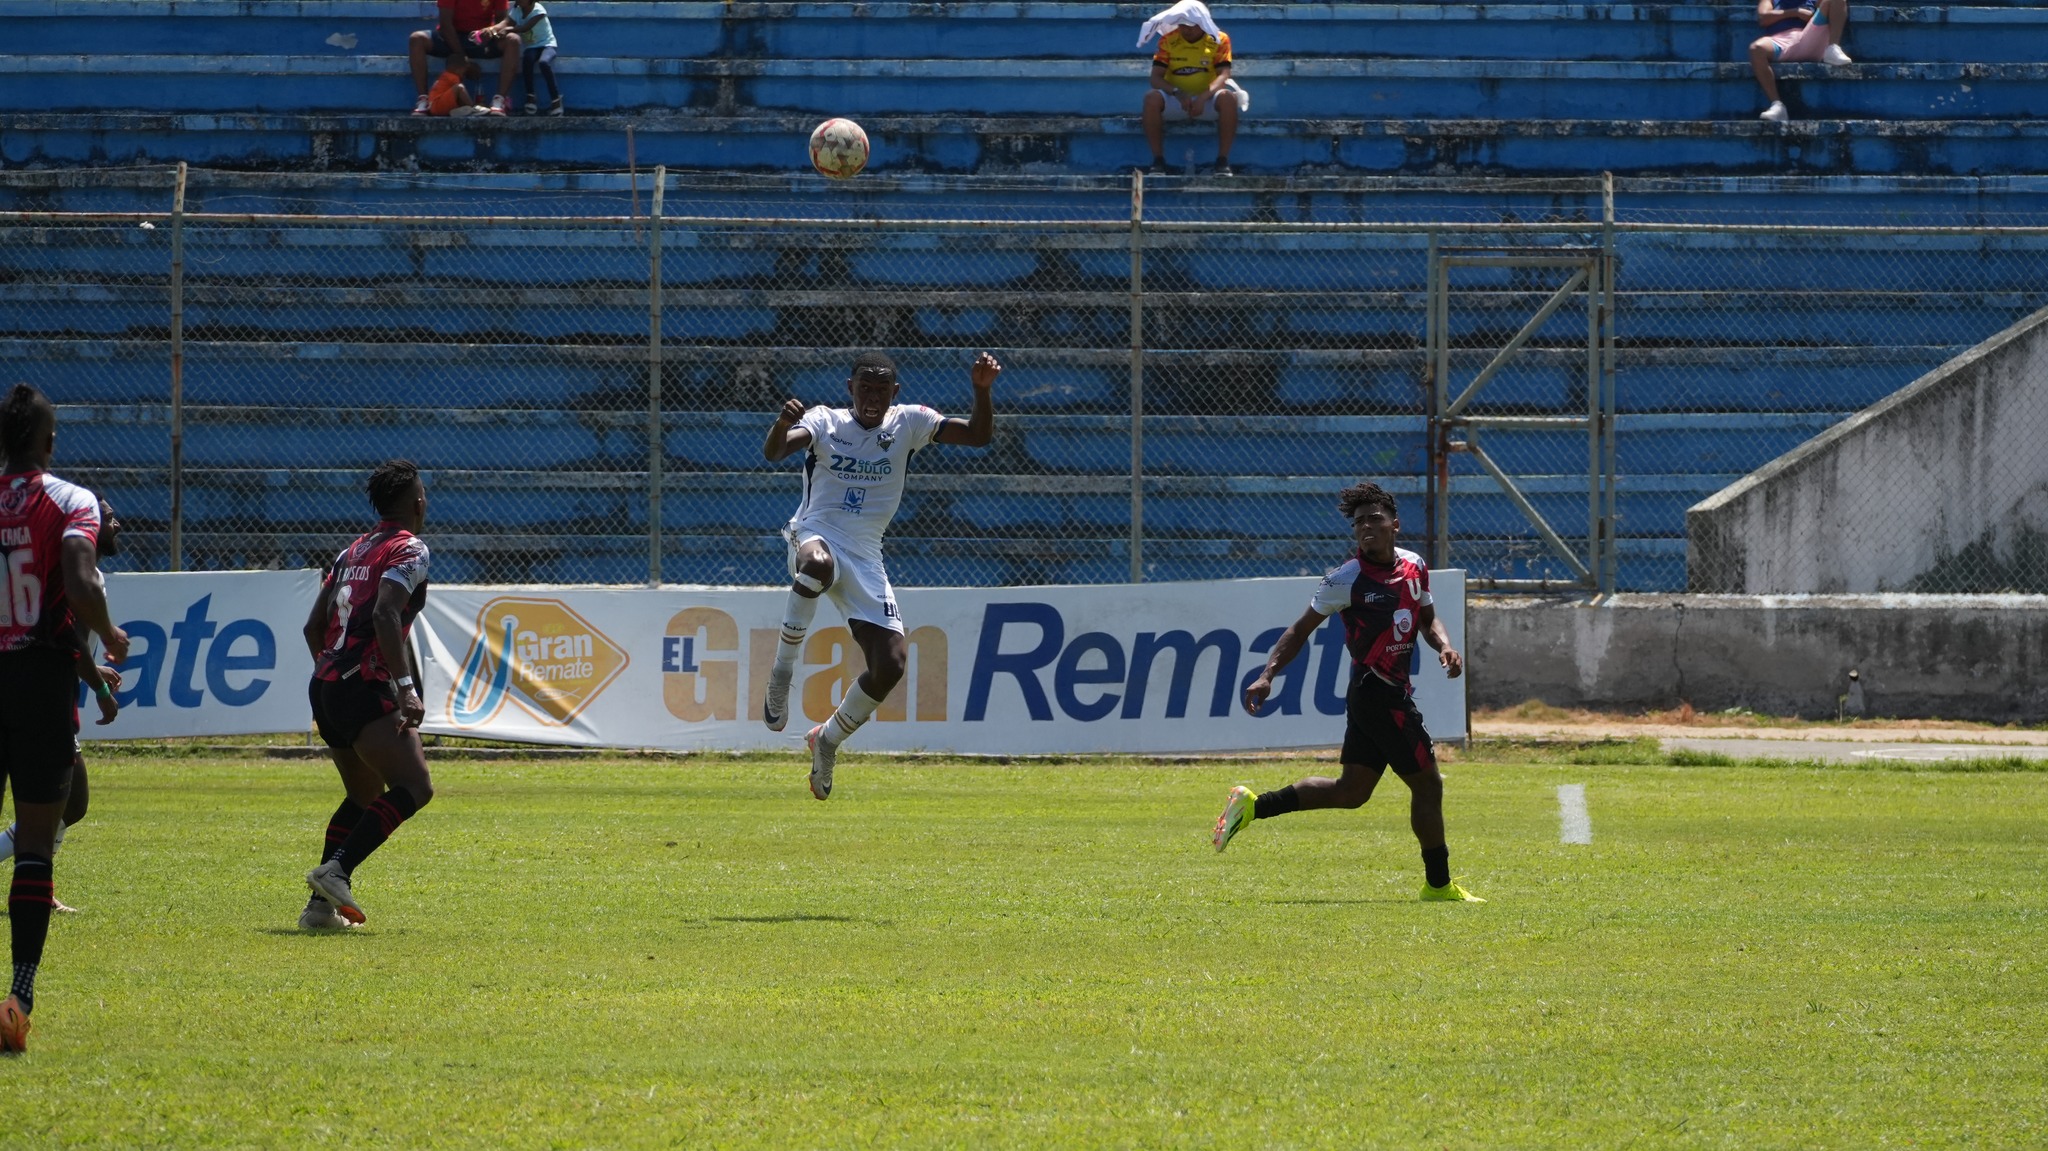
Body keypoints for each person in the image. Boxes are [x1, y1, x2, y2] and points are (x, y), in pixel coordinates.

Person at [1210, 480, 1483, 903]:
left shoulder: (1414, 565)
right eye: (1359, 523)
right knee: (1428, 786)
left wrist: (1445, 646)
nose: (1366, 527)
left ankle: (1252, 805)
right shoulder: (1345, 579)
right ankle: (1439, 884)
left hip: (1378, 694)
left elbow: (1428, 619)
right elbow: (1298, 631)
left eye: (1375, 518)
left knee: (1351, 792)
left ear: (1395, 524)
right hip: (1378, 694)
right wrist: (1268, 674)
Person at [760, 352, 1000, 800]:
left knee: (890, 664)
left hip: (867, 556)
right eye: (864, 388)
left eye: (881, 389)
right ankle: (781, 673)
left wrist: (982, 391)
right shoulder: (825, 421)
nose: (872, 397)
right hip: (815, 533)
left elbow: (979, 436)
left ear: (896, 393)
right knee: (816, 566)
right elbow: (775, 451)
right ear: (850, 388)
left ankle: (826, 740)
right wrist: (779, 423)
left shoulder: (909, 422)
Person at [0, 384, 129, 1054]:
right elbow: (77, 588)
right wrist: (109, 631)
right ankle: (18, 999)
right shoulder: (70, 500)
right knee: (36, 842)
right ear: (49, 442)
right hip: (37, 681)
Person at [299, 460, 435, 929]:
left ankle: (318, 909)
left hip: (326, 684)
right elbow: (384, 615)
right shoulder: (409, 549)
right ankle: (335, 871)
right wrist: (404, 690)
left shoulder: (352, 550)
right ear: (418, 502)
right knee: (415, 786)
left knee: (362, 793)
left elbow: (313, 627)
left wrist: (333, 675)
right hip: (364, 684)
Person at [0, 496, 126, 917]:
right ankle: (35, 884)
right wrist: (102, 691)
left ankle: (38, 886)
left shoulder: (52, 564)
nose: (118, 524)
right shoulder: (82, 576)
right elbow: (67, 636)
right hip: (41, 697)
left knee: (63, 803)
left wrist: (92, 674)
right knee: (70, 802)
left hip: (32, 686)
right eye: (109, 519)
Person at [1138, 0, 1246, 176]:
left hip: (1208, 100)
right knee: (1151, 98)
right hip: (1177, 100)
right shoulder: (1168, 40)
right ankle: (1158, 161)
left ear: (1202, 23)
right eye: (1182, 25)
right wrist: (1177, 93)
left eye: (1191, 25)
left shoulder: (1219, 39)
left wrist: (1203, 97)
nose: (1186, 30)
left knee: (1228, 97)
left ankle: (1222, 161)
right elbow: (1155, 78)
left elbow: (1224, 74)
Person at [409, 0, 519, 117]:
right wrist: (464, 62)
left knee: (513, 40)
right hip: (451, 37)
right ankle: (424, 100)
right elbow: (445, 25)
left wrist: (492, 31)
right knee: (416, 39)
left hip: (480, 38)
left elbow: (502, 20)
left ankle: (499, 100)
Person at [1749, 0, 1852, 122]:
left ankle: (1832, 47)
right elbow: (1763, 18)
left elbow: (1828, 8)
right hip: (1781, 41)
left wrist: (1812, 14)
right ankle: (1777, 106)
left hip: (1809, 36)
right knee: (1756, 49)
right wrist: (1795, 13)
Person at [491, 0, 562, 116]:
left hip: (547, 45)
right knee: (527, 60)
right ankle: (530, 97)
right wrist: (492, 30)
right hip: (532, 47)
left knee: (544, 63)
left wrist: (508, 30)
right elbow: (506, 22)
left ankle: (556, 100)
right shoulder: (517, 11)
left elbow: (525, 27)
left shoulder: (538, 10)